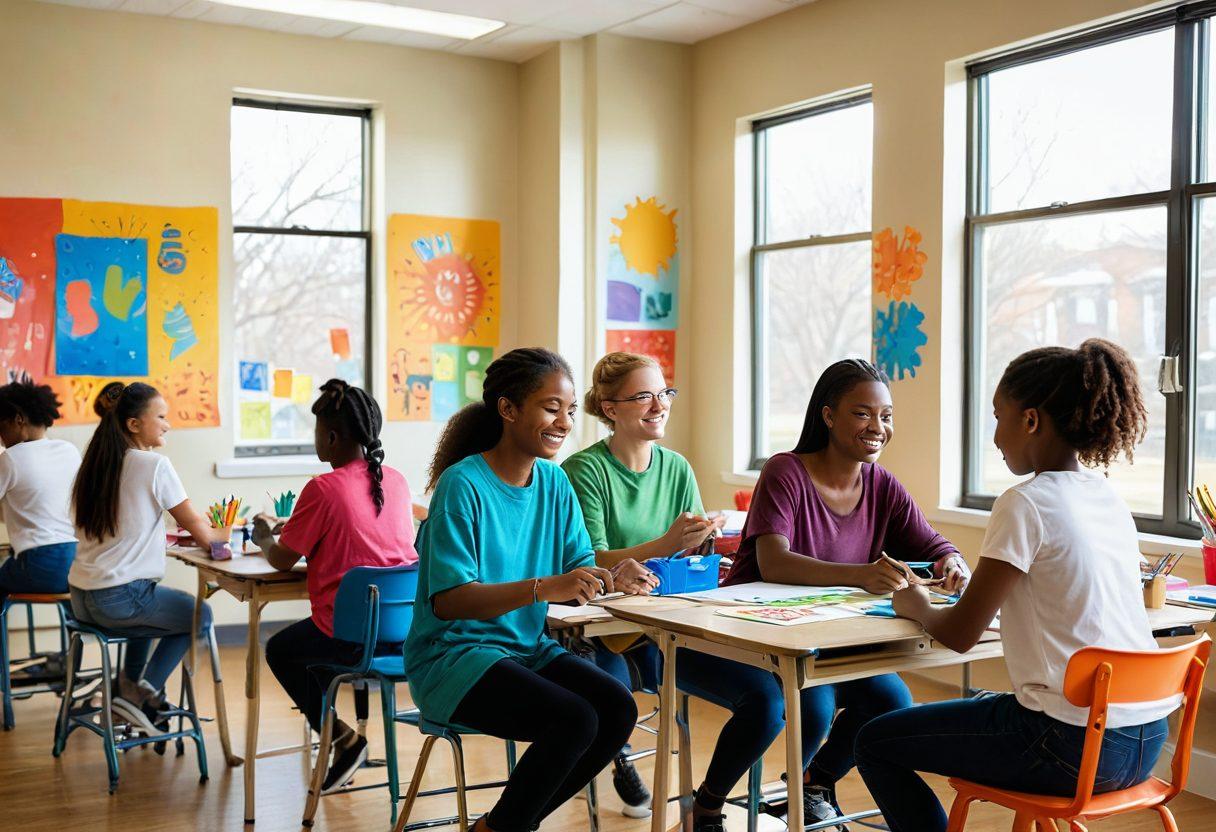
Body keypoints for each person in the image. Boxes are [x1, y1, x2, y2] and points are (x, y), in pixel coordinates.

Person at [855, 340, 1174, 832]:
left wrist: (916, 601)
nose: (996, 435)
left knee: (874, 742)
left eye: (998, 416)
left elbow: (960, 634)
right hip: (1145, 742)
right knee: (987, 706)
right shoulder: (1105, 496)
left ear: (1030, 421)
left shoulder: (1024, 503)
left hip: (1068, 746)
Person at [686, 359, 969, 832]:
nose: (878, 427)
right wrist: (861, 575)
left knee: (892, 700)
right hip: (752, 635)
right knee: (812, 706)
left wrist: (951, 561)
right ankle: (710, 804)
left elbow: (932, 542)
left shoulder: (880, 484)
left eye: (886, 415)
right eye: (863, 414)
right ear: (828, 416)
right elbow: (775, 562)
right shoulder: (785, 471)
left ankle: (815, 784)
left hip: (826, 639)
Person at [405, 347, 658, 832]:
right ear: (508, 409)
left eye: (568, 410)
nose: (564, 421)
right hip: (452, 659)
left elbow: (578, 567)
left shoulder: (554, 483)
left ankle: (502, 825)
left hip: (524, 650)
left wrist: (612, 577)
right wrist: (545, 587)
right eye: (550, 407)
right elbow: (450, 599)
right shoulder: (463, 486)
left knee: (617, 708)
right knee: (575, 720)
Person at [562, 351, 721, 817]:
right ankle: (618, 753)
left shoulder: (677, 468)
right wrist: (668, 540)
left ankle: (702, 799)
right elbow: (587, 559)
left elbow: (690, 554)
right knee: (611, 701)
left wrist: (704, 542)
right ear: (610, 409)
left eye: (664, 393)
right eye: (644, 396)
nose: (660, 405)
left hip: (664, 619)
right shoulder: (583, 471)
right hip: (600, 625)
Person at [254, 380, 418, 793]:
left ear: (330, 436)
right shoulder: (395, 481)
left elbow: (281, 560)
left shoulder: (323, 488)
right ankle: (340, 738)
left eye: (316, 433)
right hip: (400, 633)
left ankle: (343, 739)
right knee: (311, 651)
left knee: (282, 649)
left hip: (349, 636)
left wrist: (264, 538)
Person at [68, 382, 226, 735]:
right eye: (161, 417)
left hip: (81, 599)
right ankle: (143, 694)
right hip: (119, 600)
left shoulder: (95, 466)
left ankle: (129, 685)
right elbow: (201, 530)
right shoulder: (154, 465)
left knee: (153, 606)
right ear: (134, 425)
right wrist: (225, 536)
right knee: (199, 614)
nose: (168, 424)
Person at [0, 376, 81, 601]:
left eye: (1, 427)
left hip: (40, 563)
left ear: (18, 420)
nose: (0, 437)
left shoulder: (10, 459)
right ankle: (74, 631)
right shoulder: (69, 450)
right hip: (77, 562)